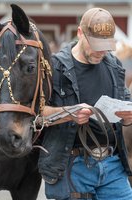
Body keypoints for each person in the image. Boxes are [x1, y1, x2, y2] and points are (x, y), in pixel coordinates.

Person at [38, 7, 132, 200]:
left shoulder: (114, 66)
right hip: (72, 166)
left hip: (113, 165)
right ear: (80, 33)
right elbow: (37, 116)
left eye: (106, 45)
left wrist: (128, 118)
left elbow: (126, 104)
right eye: (96, 44)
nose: (101, 51)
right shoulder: (55, 67)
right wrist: (69, 113)